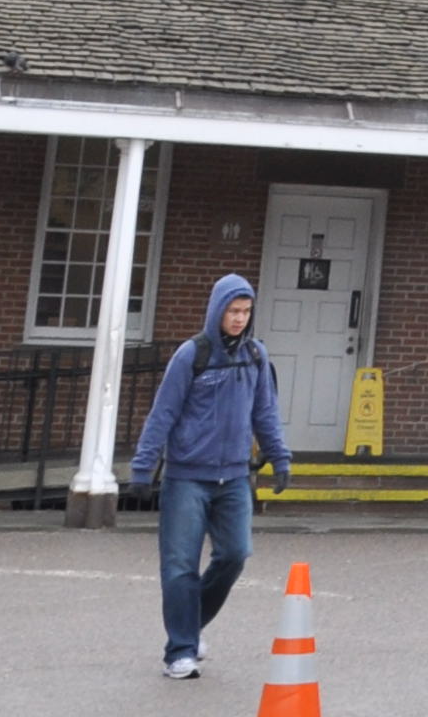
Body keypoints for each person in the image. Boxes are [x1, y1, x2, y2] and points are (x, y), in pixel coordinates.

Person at [125, 275, 290, 682]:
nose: (239, 318)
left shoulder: (255, 356)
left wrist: (279, 456)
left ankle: (189, 623)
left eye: (245, 311)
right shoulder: (191, 355)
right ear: (217, 311)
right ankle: (180, 652)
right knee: (180, 566)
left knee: (235, 554)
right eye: (232, 311)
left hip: (233, 477)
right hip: (187, 478)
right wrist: (143, 467)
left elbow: (265, 412)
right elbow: (163, 413)